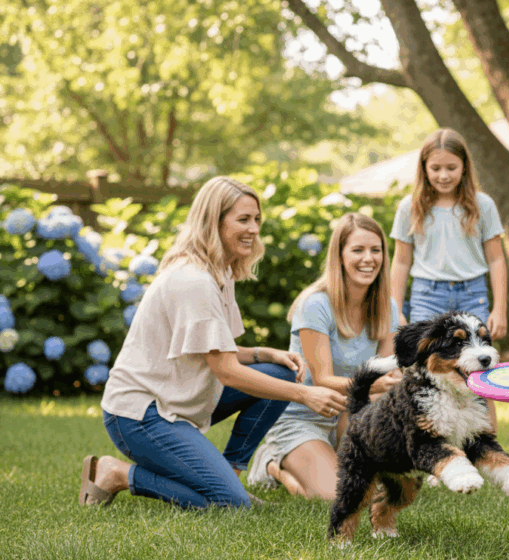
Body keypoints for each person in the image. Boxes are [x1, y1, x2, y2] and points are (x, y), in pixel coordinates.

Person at [78, 176, 346, 509]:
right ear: (213, 222)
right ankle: (117, 473)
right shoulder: (195, 282)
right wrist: (306, 394)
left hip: (176, 399)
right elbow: (228, 372)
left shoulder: (220, 272)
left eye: (257, 220)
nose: (253, 229)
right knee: (230, 505)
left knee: (283, 372)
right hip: (139, 416)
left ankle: (230, 470)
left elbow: (213, 350)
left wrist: (266, 354)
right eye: (243, 220)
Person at [246, 213, 401, 500]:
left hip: (349, 413)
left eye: (375, 250)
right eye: (358, 250)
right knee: (338, 496)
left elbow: (389, 373)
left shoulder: (387, 306)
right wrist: (374, 385)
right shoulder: (316, 304)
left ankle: (335, 458)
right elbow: (322, 380)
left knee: (377, 494)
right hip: (303, 417)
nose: (368, 258)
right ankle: (272, 465)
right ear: (339, 255)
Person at [390, 127, 508, 429]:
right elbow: (401, 262)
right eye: (436, 168)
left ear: (464, 167)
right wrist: (395, 309)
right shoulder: (410, 208)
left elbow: (496, 259)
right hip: (428, 296)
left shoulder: (482, 205)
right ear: (424, 168)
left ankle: (485, 442)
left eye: (451, 167)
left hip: (473, 295)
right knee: (421, 372)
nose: (444, 175)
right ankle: (425, 442)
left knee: (481, 372)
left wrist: (500, 308)